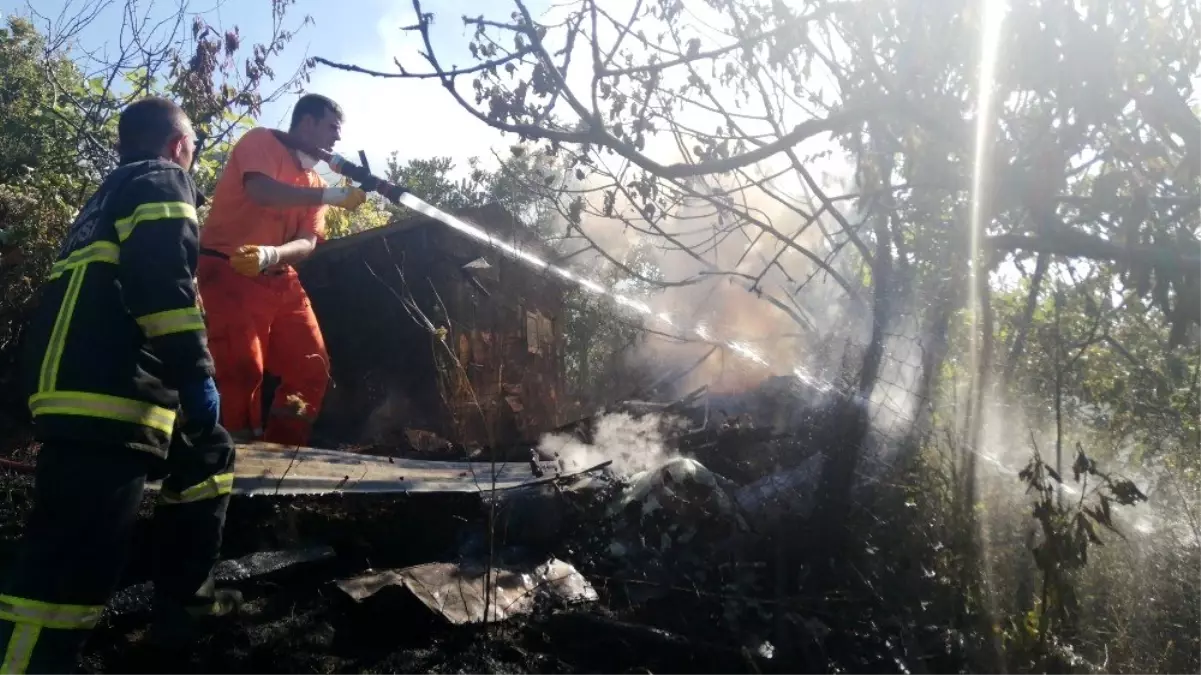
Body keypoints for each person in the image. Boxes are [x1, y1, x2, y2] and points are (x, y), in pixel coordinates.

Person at [1, 97, 241, 673]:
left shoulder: (103, 200)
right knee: (68, 570)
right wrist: (197, 374)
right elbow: (163, 285)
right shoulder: (164, 178)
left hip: (82, 385)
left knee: (208, 454)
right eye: (193, 149)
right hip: (108, 397)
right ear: (179, 145)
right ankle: (28, 660)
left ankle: (186, 607)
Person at [196, 93, 366, 447]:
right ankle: (232, 461)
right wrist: (331, 197)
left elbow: (307, 242)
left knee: (312, 367)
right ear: (307, 122)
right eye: (332, 127)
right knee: (242, 369)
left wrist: (272, 255)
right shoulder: (261, 141)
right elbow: (262, 191)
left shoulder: (314, 184)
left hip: (279, 277)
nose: (337, 139)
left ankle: (283, 456)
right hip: (229, 270)